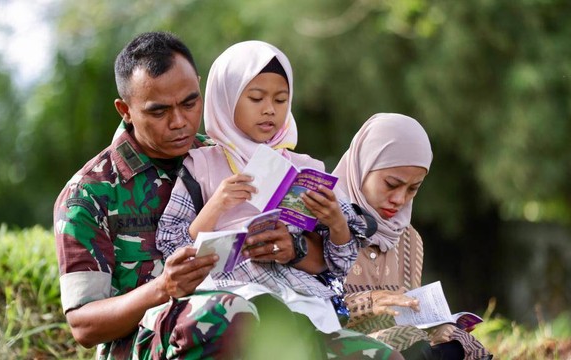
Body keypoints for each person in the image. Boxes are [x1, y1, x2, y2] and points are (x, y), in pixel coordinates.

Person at [156, 40, 402, 359]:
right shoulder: (201, 165)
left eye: (281, 99)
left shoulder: (305, 169)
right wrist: (217, 204)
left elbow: (341, 264)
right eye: (256, 98)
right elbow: (171, 246)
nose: (270, 109)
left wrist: (336, 222)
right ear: (226, 99)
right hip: (234, 303)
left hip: (304, 303)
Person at [53, 31, 258, 359]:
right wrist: (162, 288)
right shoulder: (90, 193)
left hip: (247, 310)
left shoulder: (224, 158)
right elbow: (84, 325)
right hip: (148, 344)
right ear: (126, 110)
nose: (179, 122)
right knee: (225, 316)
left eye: (190, 103)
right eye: (159, 111)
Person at [333, 113, 492, 360]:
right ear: (362, 166)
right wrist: (369, 302)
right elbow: (307, 309)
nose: (399, 199)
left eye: (412, 189)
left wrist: (437, 327)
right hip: (336, 346)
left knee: (454, 347)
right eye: (391, 184)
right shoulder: (324, 223)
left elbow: (408, 314)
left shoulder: (408, 239)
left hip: (399, 343)